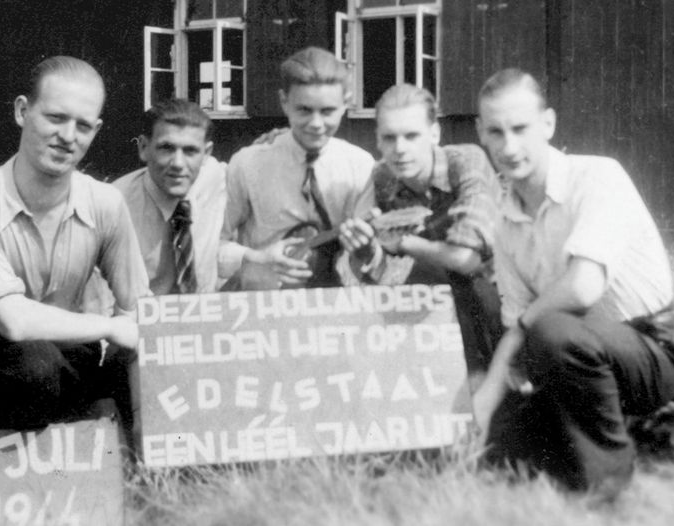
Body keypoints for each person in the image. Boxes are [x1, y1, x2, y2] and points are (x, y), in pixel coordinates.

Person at [471, 68, 674, 497]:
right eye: (496, 132)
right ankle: (568, 458)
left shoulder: (599, 177)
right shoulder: (504, 219)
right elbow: (519, 323)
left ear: (548, 123)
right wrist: (495, 390)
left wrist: (514, 343)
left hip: (649, 350)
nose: (509, 147)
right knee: (501, 442)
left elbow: (582, 288)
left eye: (521, 128)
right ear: (481, 133)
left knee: (552, 331)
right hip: (573, 355)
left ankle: (608, 491)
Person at [0, 56, 149, 431]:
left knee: (149, 362)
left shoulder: (105, 202)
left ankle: (114, 450)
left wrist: (129, 349)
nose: (68, 136)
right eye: (56, 117)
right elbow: (13, 322)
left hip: (73, 357)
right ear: (22, 111)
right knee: (34, 368)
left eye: (83, 125)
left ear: (96, 130)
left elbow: (139, 310)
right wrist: (109, 327)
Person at [339, 84, 502, 374]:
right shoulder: (383, 177)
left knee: (471, 286)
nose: (400, 149)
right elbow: (370, 269)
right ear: (377, 139)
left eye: (412, 136)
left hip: (498, 292)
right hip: (435, 293)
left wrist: (402, 242)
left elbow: (467, 259)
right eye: (389, 138)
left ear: (434, 134)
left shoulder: (465, 162)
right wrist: (365, 249)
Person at [219, 47, 374, 290]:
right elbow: (213, 248)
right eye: (304, 110)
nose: (316, 124)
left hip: (337, 305)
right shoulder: (247, 163)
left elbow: (372, 257)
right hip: (264, 305)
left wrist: (365, 246)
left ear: (345, 104)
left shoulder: (362, 167)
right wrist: (257, 258)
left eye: (327, 111)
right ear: (284, 102)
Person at [94, 99, 226, 298]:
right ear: (144, 148)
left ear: (206, 153)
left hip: (206, 319)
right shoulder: (113, 208)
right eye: (167, 148)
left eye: (190, 151)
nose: (178, 163)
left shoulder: (215, 177)